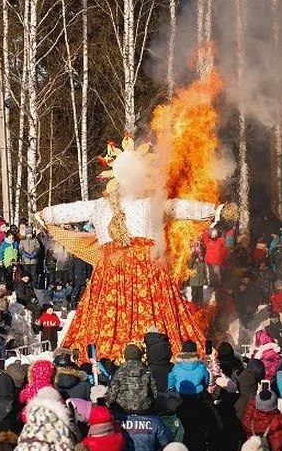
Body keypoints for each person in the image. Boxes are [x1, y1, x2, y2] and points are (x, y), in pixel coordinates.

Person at [39, 135, 231, 358]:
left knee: (127, 315)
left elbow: (179, 207)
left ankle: (127, 355)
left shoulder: (143, 203)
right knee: (146, 315)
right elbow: (179, 207)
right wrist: (216, 210)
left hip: (128, 271)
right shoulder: (107, 205)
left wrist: (214, 211)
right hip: (135, 271)